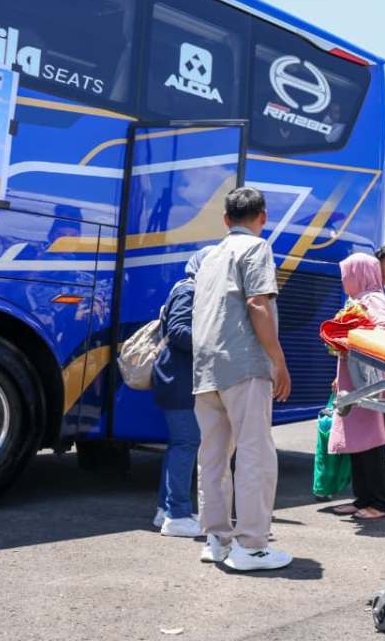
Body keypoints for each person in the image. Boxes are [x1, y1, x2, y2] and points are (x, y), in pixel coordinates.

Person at [192, 187, 293, 572]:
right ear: (262, 217)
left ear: (225, 220)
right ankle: (251, 546)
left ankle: (216, 539)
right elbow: (257, 303)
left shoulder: (209, 257)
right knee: (255, 455)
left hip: (205, 370)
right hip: (244, 365)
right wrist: (278, 359)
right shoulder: (257, 249)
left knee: (213, 457)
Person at [328, 253, 385, 520]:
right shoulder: (359, 299)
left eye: (346, 274)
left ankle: (383, 502)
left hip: (371, 383)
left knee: (372, 442)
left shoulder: (372, 299)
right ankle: (363, 498)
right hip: (357, 382)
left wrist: (353, 334)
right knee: (359, 440)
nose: (342, 280)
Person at [150, 246, 212, 538]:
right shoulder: (188, 290)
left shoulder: (186, 288)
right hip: (178, 379)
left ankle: (166, 509)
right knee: (187, 443)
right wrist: (213, 340)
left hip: (175, 379)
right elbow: (178, 332)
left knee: (181, 444)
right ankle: (177, 514)